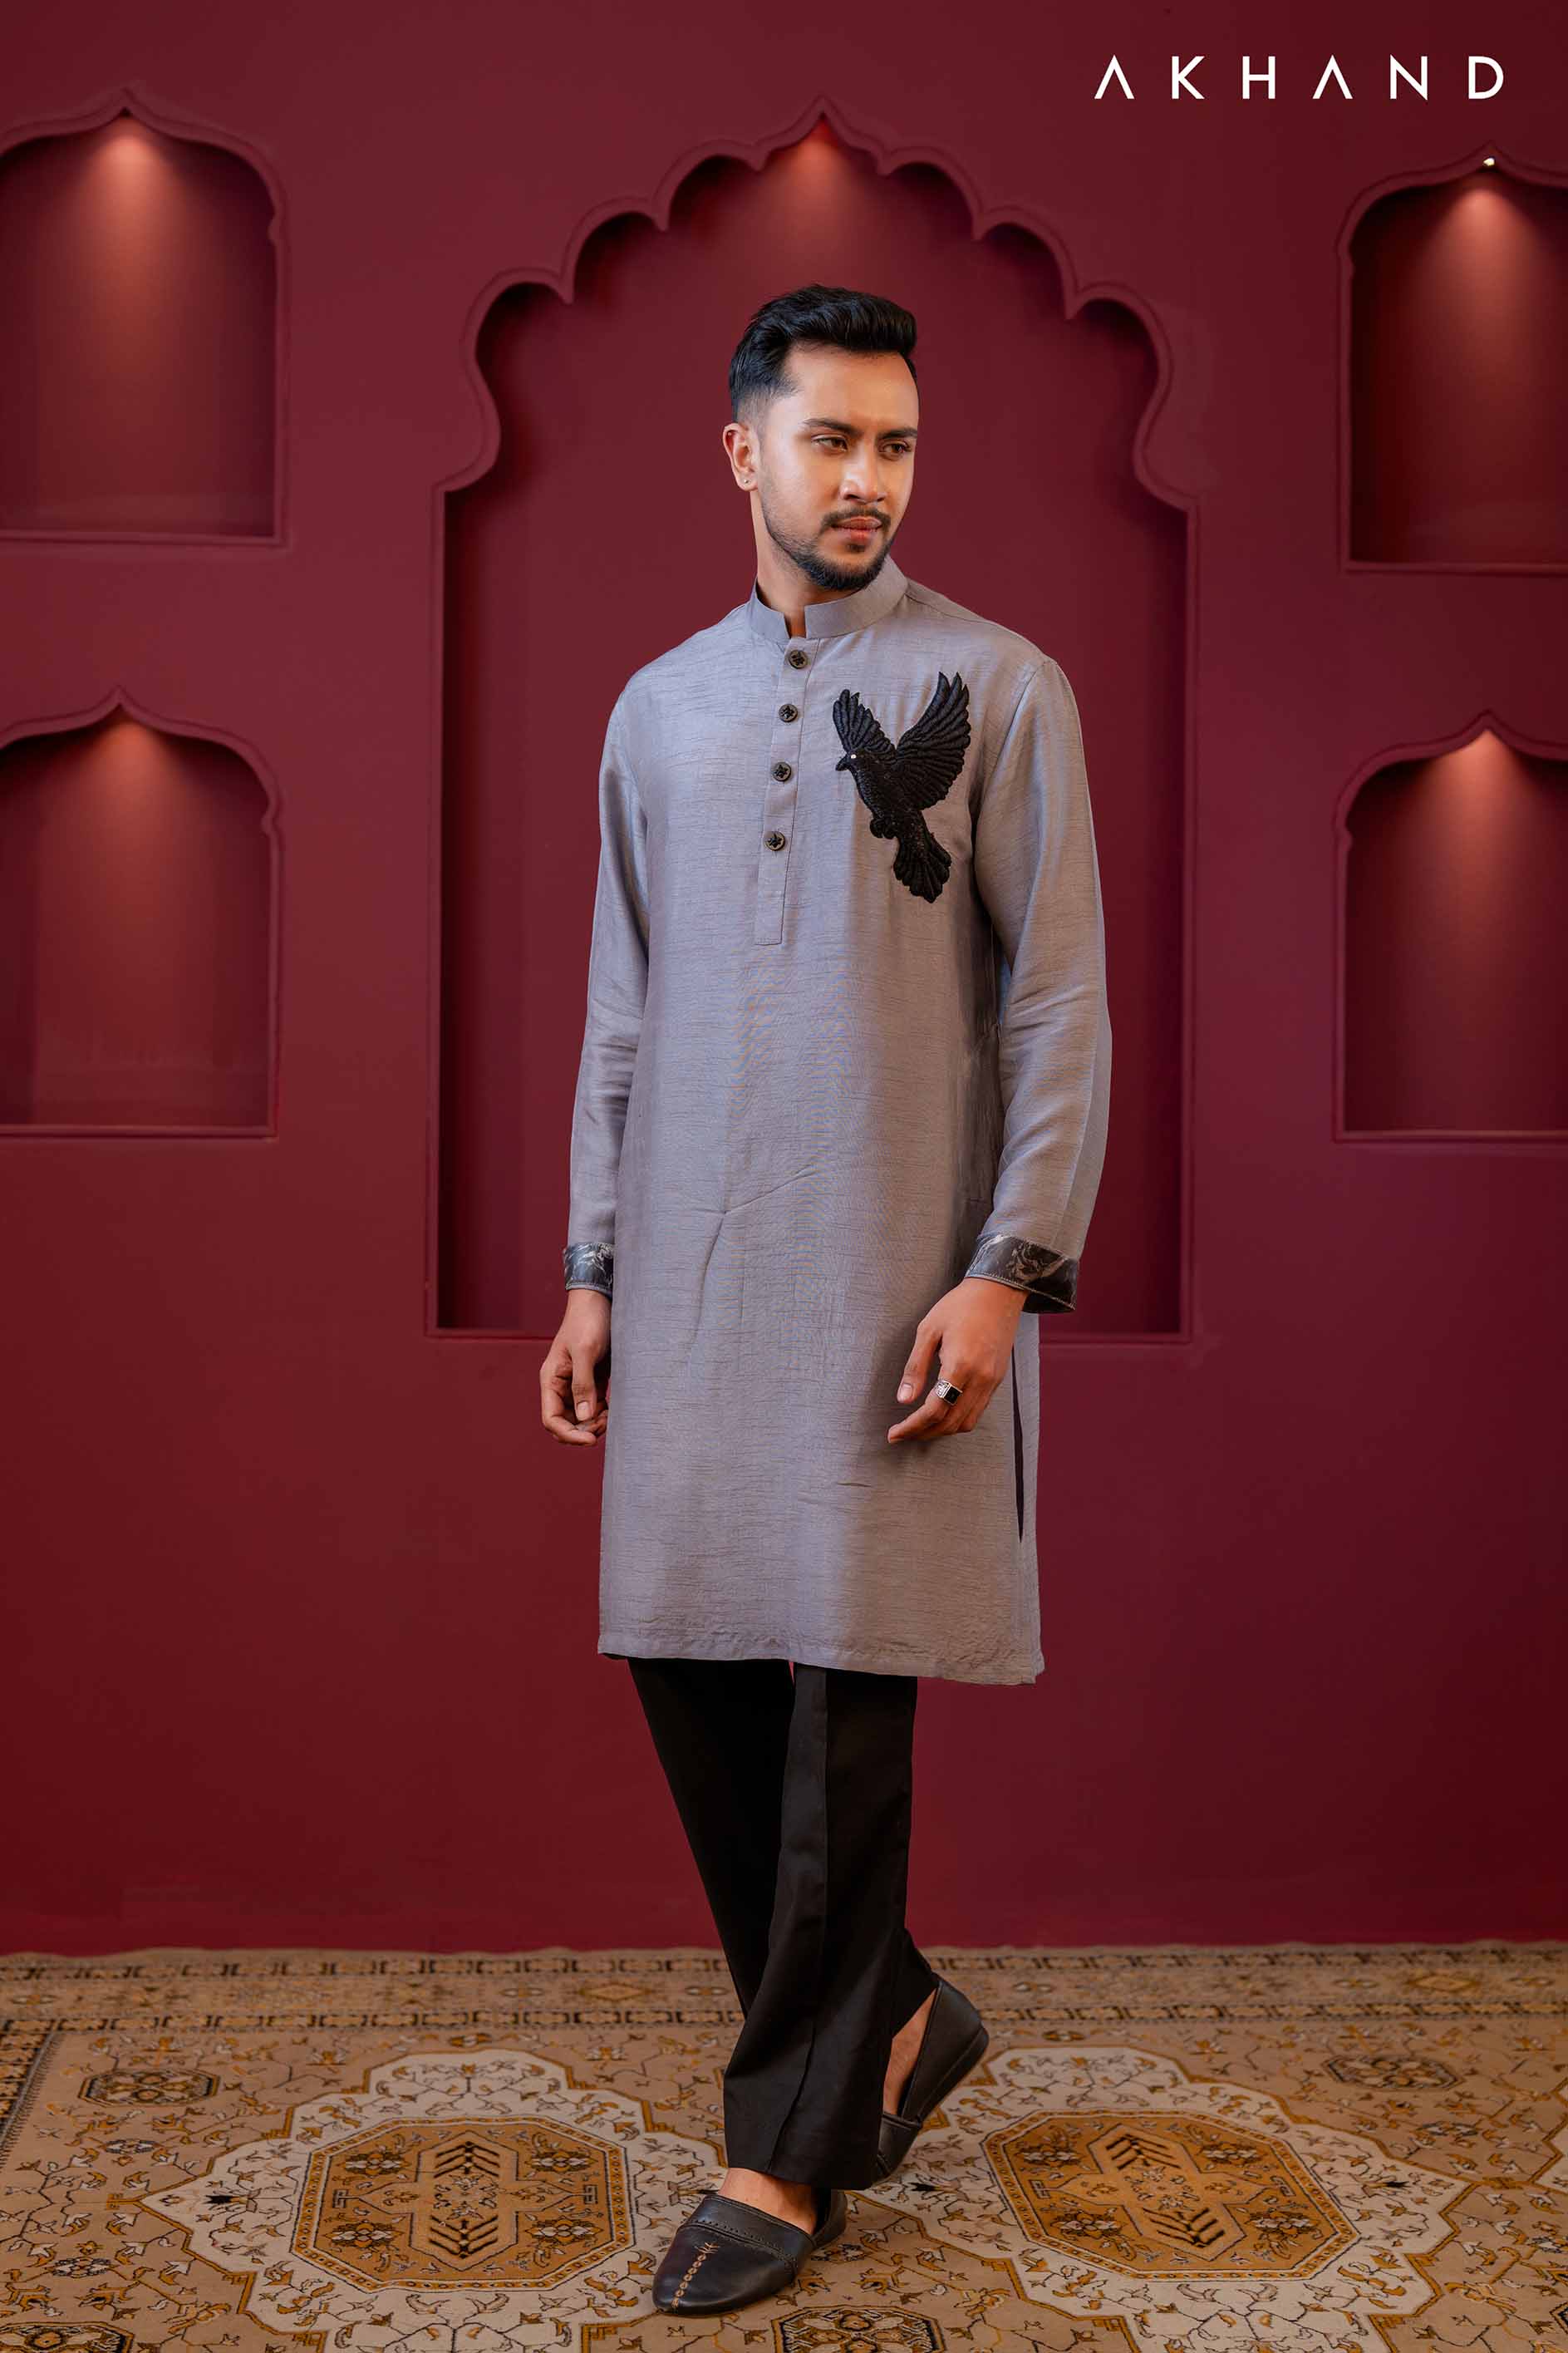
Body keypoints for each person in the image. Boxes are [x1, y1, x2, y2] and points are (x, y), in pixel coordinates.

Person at [540, 283, 1112, 2315]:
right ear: (743, 453)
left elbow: (1055, 1002)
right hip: (694, 1269)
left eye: (894, 446)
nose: (865, 479)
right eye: (829, 440)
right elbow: (619, 1005)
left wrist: (1005, 1270)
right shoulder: (654, 710)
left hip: (897, 1275)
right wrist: (592, 1267)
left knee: (846, 1701)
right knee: (688, 1655)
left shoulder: (1001, 685)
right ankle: (892, 2019)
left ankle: (777, 2156)